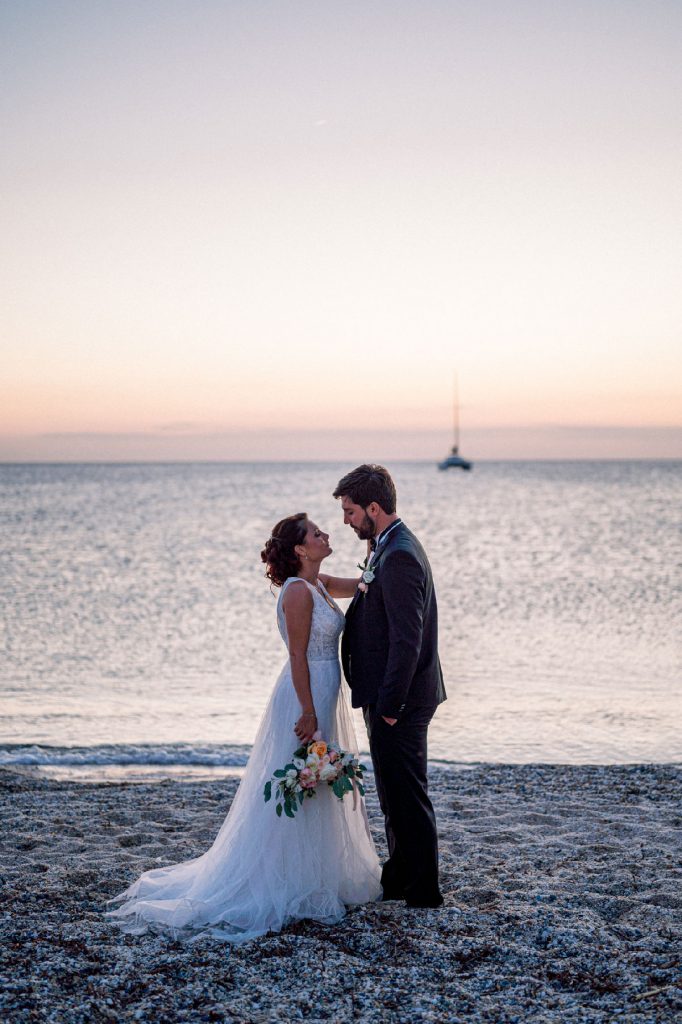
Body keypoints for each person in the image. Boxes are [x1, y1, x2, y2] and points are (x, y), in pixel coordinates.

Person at [106, 513, 381, 942]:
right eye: (316, 533)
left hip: (326, 690)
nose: (325, 534)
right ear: (300, 549)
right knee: (301, 778)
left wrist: (375, 543)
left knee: (318, 780)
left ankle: (316, 873)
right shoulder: (297, 592)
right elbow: (297, 656)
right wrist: (308, 712)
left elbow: (365, 583)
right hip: (305, 693)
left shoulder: (320, 583)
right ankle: (284, 879)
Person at [334, 465, 446, 908]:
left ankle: (424, 892)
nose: (346, 520)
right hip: (387, 695)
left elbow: (407, 639)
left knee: (407, 795)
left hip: (400, 699)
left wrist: (391, 705)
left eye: (350, 511)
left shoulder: (399, 555)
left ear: (374, 508)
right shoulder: (387, 545)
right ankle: (399, 878)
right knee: (393, 793)